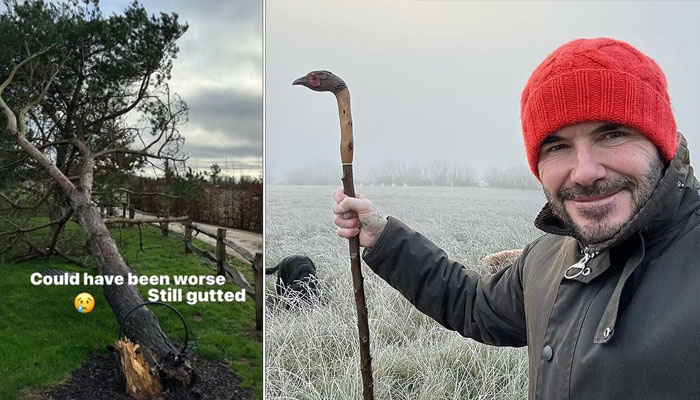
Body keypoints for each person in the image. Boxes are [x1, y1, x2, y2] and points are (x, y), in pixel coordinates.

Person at [332, 37, 700, 399]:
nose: (584, 172)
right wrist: (384, 238)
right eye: (558, 146)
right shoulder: (548, 258)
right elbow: (472, 303)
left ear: (660, 144)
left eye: (613, 134)